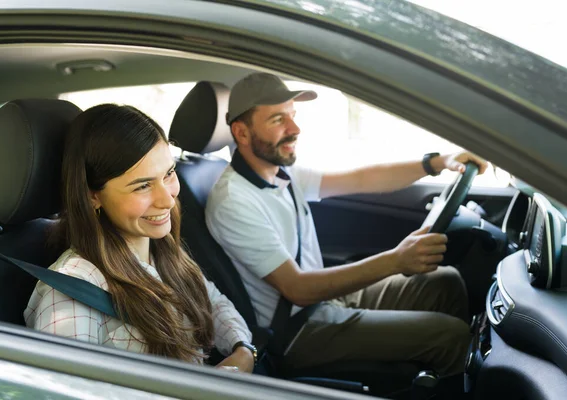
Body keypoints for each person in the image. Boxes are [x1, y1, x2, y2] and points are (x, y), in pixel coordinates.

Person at [205, 73, 489, 377]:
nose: (295, 129)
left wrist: (437, 163)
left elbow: (363, 178)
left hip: (323, 300)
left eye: (293, 115)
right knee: (451, 336)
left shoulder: (281, 173)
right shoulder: (233, 200)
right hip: (296, 330)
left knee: (445, 282)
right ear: (242, 133)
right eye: (278, 120)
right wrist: (396, 260)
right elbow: (297, 288)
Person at [25, 104, 255, 373]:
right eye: (143, 185)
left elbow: (213, 300)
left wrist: (243, 350)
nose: (168, 199)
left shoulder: (160, 247)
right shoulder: (71, 293)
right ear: (92, 195)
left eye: (169, 174)